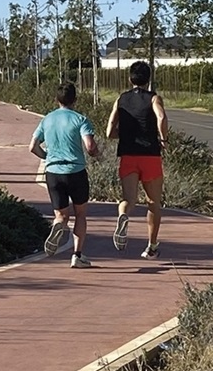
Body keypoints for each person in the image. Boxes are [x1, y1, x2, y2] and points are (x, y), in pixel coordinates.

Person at [29, 82, 101, 268]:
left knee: (61, 214)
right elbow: (90, 147)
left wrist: (48, 157)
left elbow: (32, 147)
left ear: (56, 100)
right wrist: (96, 155)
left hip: (53, 173)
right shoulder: (81, 119)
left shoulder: (47, 119)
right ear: (75, 100)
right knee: (81, 214)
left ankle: (58, 225)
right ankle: (77, 255)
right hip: (75, 171)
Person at [106, 60, 169, 259]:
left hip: (128, 155)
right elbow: (161, 117)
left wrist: (120, 135)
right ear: (149, 79)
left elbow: (109, 130)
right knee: (153, 202)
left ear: (130, 78)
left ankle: (123, 215)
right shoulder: (154, 99)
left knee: (128, 200)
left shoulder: (121, 99)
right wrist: (163, 138)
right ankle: (151, 245)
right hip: (150, 155)